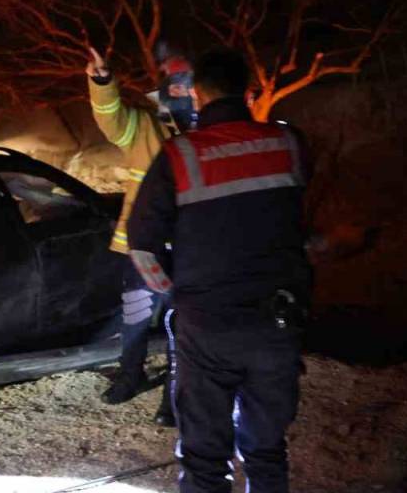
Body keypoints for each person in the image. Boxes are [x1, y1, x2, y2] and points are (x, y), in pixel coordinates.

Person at [127, 48, 311, 493]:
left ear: (198, 92)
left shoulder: (180, 154)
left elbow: (143, 244)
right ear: (248, 89)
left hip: (207, 322)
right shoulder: (288, 143)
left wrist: (178, 294)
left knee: (206, 455)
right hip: (277, 319)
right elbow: (303, 221)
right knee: (267, 449)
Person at [84, 47, 176, 422]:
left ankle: (173, 395)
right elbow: (111, 119)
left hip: (190, 247)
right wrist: (103, 82)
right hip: (142, 249)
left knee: (181, 325)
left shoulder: (208, 135)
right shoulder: (143, 127)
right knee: (135, 316)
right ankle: (129, 376)